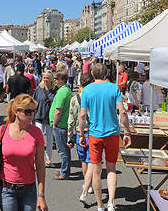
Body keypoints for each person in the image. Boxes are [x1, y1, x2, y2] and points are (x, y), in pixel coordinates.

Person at [79, 63, 132, 211]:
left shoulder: (87, 90)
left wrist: (81, 134)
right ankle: (111, 202)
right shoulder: (113, 87)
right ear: (106, 74)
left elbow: (82, 115)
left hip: (94, 134)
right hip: (112, 133)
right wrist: (127, 132)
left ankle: (100, 205)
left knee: (96, 171)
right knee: (111, 169)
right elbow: (122, 112)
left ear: (93, 74)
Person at [0, 94, 48, 211]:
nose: (32, 115)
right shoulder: (2, 131)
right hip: (6, 189)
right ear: (16, 111)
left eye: (33, 111)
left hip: (29, 190)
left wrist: (41, 195)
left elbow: (40, 164)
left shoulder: (36, 132)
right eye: (28, 112)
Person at [67, 73, 94, 206]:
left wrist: (69, 137)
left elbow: (71, 119)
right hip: (93, 132)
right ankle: (88, 186)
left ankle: (87, 183)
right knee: (91, 160)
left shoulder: (75, 99)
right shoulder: (94, 98)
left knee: (84, 160)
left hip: (79, 133)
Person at [49, 72, 73, 180]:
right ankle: (65, 168)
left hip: (60, 124)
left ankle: (64, 172)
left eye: (56, 79)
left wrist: (54, 123)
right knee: (65, 149)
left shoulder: (62, 92)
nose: (54, 80)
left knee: (62, 150)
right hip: (63, 124)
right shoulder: (65, 90)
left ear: (62, 80)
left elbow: (58, 110)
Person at [33, 71, 57, 167]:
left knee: (50, 140)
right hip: (39, 116)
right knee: (38, 140)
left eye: (47, 78)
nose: (46, 80)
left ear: (51, 79)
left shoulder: (55, 90)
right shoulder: (39, 89)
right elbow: (34, 101)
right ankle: (37, 159)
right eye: (44, 78)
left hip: (50, 118)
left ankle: (49, 159)